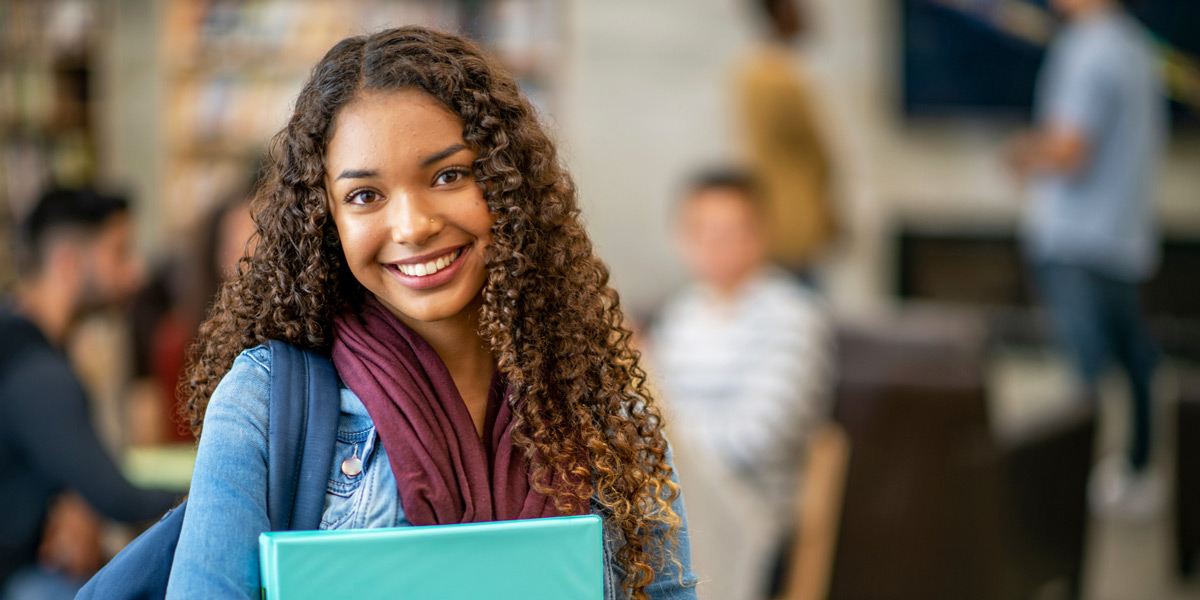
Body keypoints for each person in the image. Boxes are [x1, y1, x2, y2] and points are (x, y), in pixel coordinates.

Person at [164, 26, 697, 600]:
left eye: (448, 175)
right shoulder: (265, 402)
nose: (413, 225)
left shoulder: (599, 404)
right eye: (366, 195)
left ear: (505, 182)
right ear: (327, 220)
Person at [1005, 0, 1167, 516]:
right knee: (1134, 358)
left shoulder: (1085, 48)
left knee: (1085, 373)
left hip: (1076, 237)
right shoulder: (1137, 48)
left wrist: (1021, 154)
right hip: (1123, 233)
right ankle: (1138, 470)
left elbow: (1070, 150)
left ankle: (1073, 490)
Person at [649, 169, 832, 598]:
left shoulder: (794, 317)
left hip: (751, 508)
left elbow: (757, 437)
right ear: (682, 237)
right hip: (676, 494)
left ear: (762, 234)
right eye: (703, 231)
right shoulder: (681, 316)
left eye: (730, 231)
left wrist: (672, 446)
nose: (716, 245)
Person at [0, 188, 179, 598]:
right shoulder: (37, 371)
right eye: (119, 253)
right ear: (67, 261)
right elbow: (116, 497)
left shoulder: (23, 348)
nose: (135, 273)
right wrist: (211, 495)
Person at [734, 0, 837, 275]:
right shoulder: (777, 76)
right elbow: (812, 152)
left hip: (778, 213)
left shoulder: (755, 70)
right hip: (792, 218)